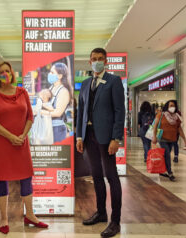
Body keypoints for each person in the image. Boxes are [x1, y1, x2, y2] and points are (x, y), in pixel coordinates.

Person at [0, 62, 48, 234]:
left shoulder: (22, 92)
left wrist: (22, 135)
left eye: (7, 71)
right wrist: (11, 137)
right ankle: (4, 218)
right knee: (2, 178)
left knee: (26, 177)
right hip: (1, 143)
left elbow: (30, 116)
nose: (5, 73)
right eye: (1, 72)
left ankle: (31, 216)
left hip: (21, 142)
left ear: (12, 73)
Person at [76, 48, 125, 238]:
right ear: (89, 62)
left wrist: (116, 138)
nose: (96, 62)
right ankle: (101, 213)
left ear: (106, 61)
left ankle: (116, 221)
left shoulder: (114, 81)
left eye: (100, 59)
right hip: (88, 136)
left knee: (111, 177)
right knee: (96, 176)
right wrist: (79, 136)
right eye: (94, 59)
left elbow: (120, 111)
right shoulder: (86, 83)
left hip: (106, 138)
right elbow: (81, 111)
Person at [152, 100, 186, 181]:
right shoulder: (161, 114)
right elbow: (155, 126)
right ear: (167, 106)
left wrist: (185, 139)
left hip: (172, 140)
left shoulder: (177, 117)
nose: (172, 107)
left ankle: (162, 170)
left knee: (165, 155)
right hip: (163, 139)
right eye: (170, 105)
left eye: (173, 105)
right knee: (167, 155)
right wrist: (154, 137)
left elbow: (179, 129)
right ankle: (170, 172)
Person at [42, 62, 72, 142]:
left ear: (60, 76)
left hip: (57, 130)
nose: (49, 74)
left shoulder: (63, 91)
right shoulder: (51, 88)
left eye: (52, 72)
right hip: (48, 127)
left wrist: (40, 112)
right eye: (50, 72)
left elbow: (58, 113)